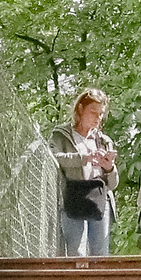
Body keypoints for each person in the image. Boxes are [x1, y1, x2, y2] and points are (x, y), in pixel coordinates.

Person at [51, 88, 118, 257]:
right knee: (75, 252)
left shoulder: (104, 140)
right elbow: (54, 158)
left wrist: (109, 168)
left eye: (101, 114)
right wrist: (85, 158)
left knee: (100, 254)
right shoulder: (61, 135)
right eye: (93, 112)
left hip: (99, 199)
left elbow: (113, 184)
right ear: (80, 109)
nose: (98, 118)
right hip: (73, 197)